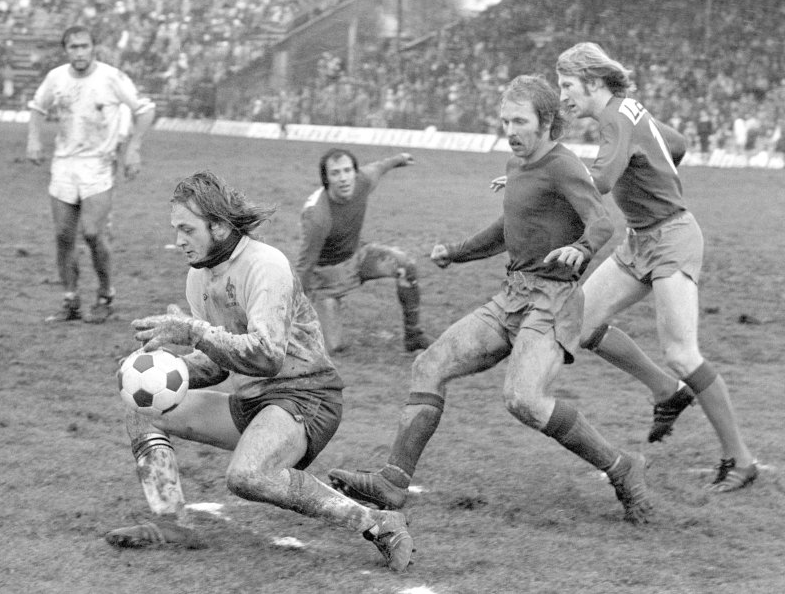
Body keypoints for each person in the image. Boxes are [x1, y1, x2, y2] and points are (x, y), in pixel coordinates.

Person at [328, 75, 652, 525]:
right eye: (505, 121)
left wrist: (580, 249)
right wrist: (457, 253)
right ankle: (392, 481)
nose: (510, 130)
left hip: (553, 302)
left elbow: (601, 223)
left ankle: (622, 467)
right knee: (428, 365)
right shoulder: (517, 166)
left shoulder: (563, 166)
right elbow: (508, 228)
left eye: (519, 120)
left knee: (524, 400)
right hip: (513, 296)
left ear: (545, 121)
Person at [104, 171, 413, 572]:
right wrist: (158, 373)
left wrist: (194, 332)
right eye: (175, 229)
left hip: (306, 397)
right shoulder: (198, 277)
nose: (179, 240)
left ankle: (378, 522)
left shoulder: (265, 265)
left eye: (187, 229)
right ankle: (170, 523)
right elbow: (219, 364)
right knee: (140, 408)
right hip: (253, 401)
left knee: (247, 476)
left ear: (217, 226)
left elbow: (267, 356)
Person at [555, 42, 757, 491]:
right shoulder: (628, 110)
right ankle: (667, 392)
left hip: (671, 239)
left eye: (567, 85)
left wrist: (541, 179)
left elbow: (601, 182)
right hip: (640, 240)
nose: (563, 96)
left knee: (682, 353)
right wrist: (648, 167)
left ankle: (742, 462)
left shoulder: (612, 118)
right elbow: (678, 144)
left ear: (591, 82)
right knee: (580, 324)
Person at [26, 25, 156, 324]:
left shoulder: (111, 77)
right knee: (62, 235)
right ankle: (70, 301)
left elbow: (145, 110)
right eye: (73, 47)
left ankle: (105, 294)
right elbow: (36, 107)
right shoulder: (56, 77)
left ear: (94, 47)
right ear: (66, 50)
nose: (79, 52)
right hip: (63, 164)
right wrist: (33, 139)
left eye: (84, 46)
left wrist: (133, 149)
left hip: (98, 163)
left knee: (94, 233)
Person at [295, 148, 433, 353]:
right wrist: (294, 311)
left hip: (358, 257)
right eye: (335, 173)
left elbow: (379, 166)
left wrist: (399, 159)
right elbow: (305, 265)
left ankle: (413, 335)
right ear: (326, 178)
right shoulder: (317, 216)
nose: (343, 178)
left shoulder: (363, 180)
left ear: (355, 172)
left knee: (406, 265)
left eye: (347, 170)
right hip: (327, 277)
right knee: (333, 347)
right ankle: (322, 310)